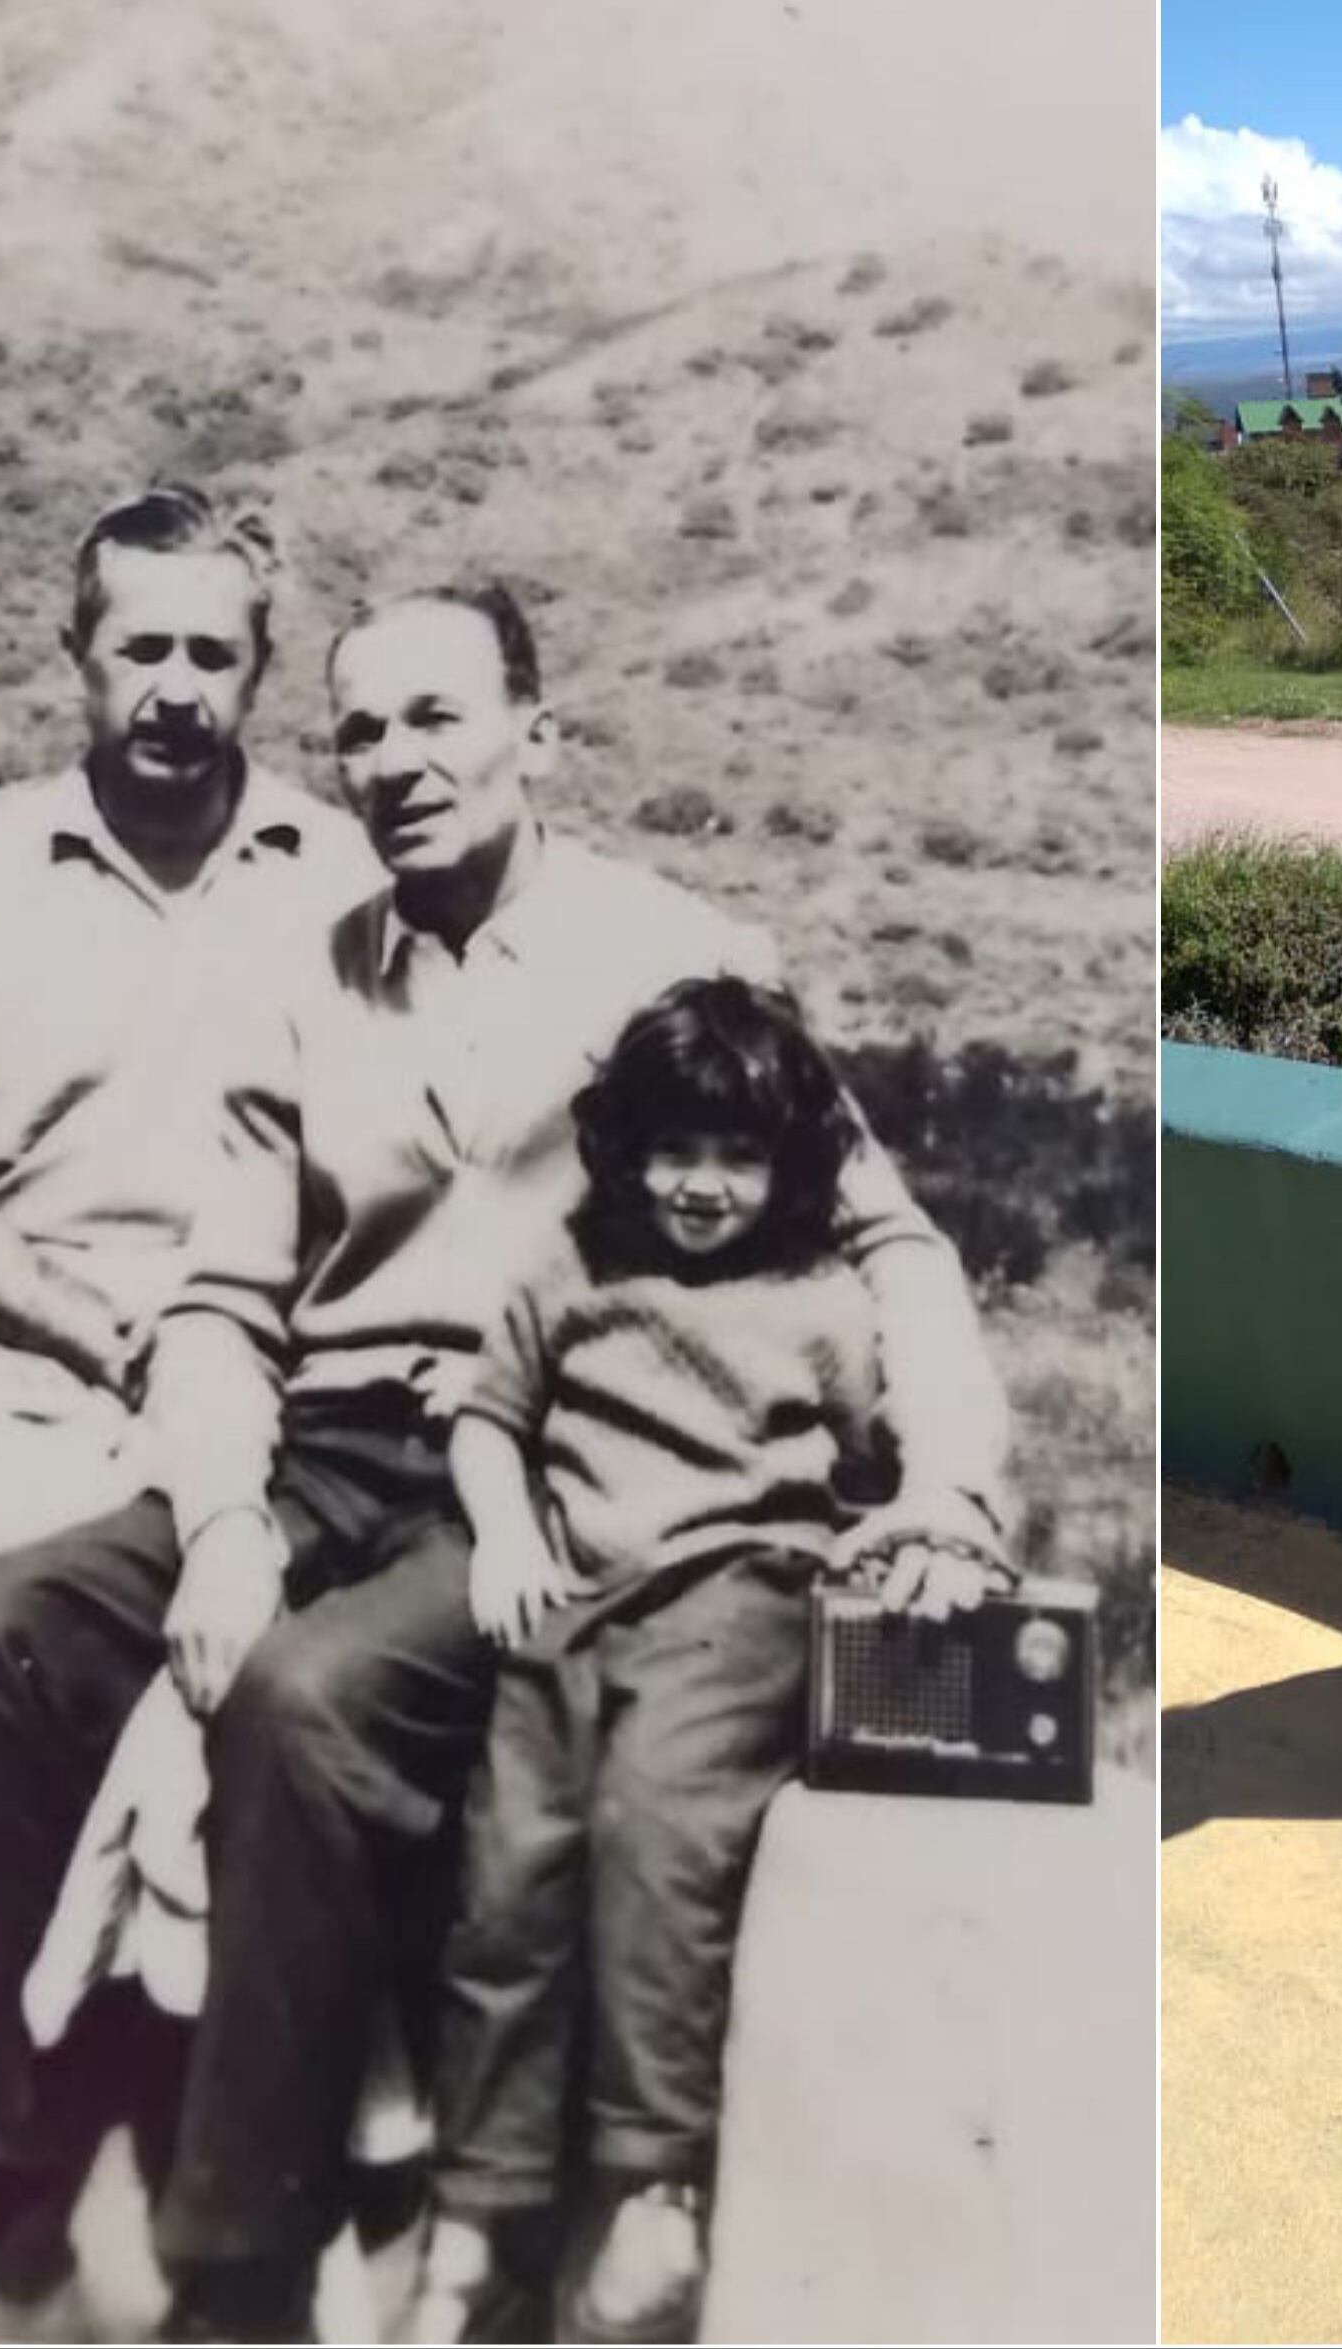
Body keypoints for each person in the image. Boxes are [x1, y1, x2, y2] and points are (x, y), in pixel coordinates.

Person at [0, 581, 1008, 2338]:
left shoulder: (680, 957)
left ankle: (237, 2255)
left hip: (533, 1471)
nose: (396, 763)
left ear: (535, 735)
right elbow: (221, 1297)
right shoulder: (307, 974)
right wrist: (221, 1513)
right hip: (313, 1443)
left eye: (436, 718)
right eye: (359, 730)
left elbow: (891, 1244)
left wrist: (949, 1484)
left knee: (305, 1700)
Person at [0, 483, 371, 2328]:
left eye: (214, 653)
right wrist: (95, 1331)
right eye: (141, 645)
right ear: (79, 656)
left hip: (235, 1373)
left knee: (224, 1660)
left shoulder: (337, 879)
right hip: (1, 1356)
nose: (175, 687)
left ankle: (65, 2100)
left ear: (260, 675)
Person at [403, 975, 1008, 2344]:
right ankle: (481, 2205)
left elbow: (882, 1450)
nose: (698, 1185)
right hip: (566, 1597)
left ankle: (648, 2180)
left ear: (792, 1164)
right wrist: (502, 1533)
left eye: (737, 1156)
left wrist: (928, 1520)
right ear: (624, 1148)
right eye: (674, 1149)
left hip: (734, 1597)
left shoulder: (820, 1298)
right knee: (509, 1868)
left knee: (657, 1830)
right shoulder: (578, 1267)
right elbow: (487, 1415)